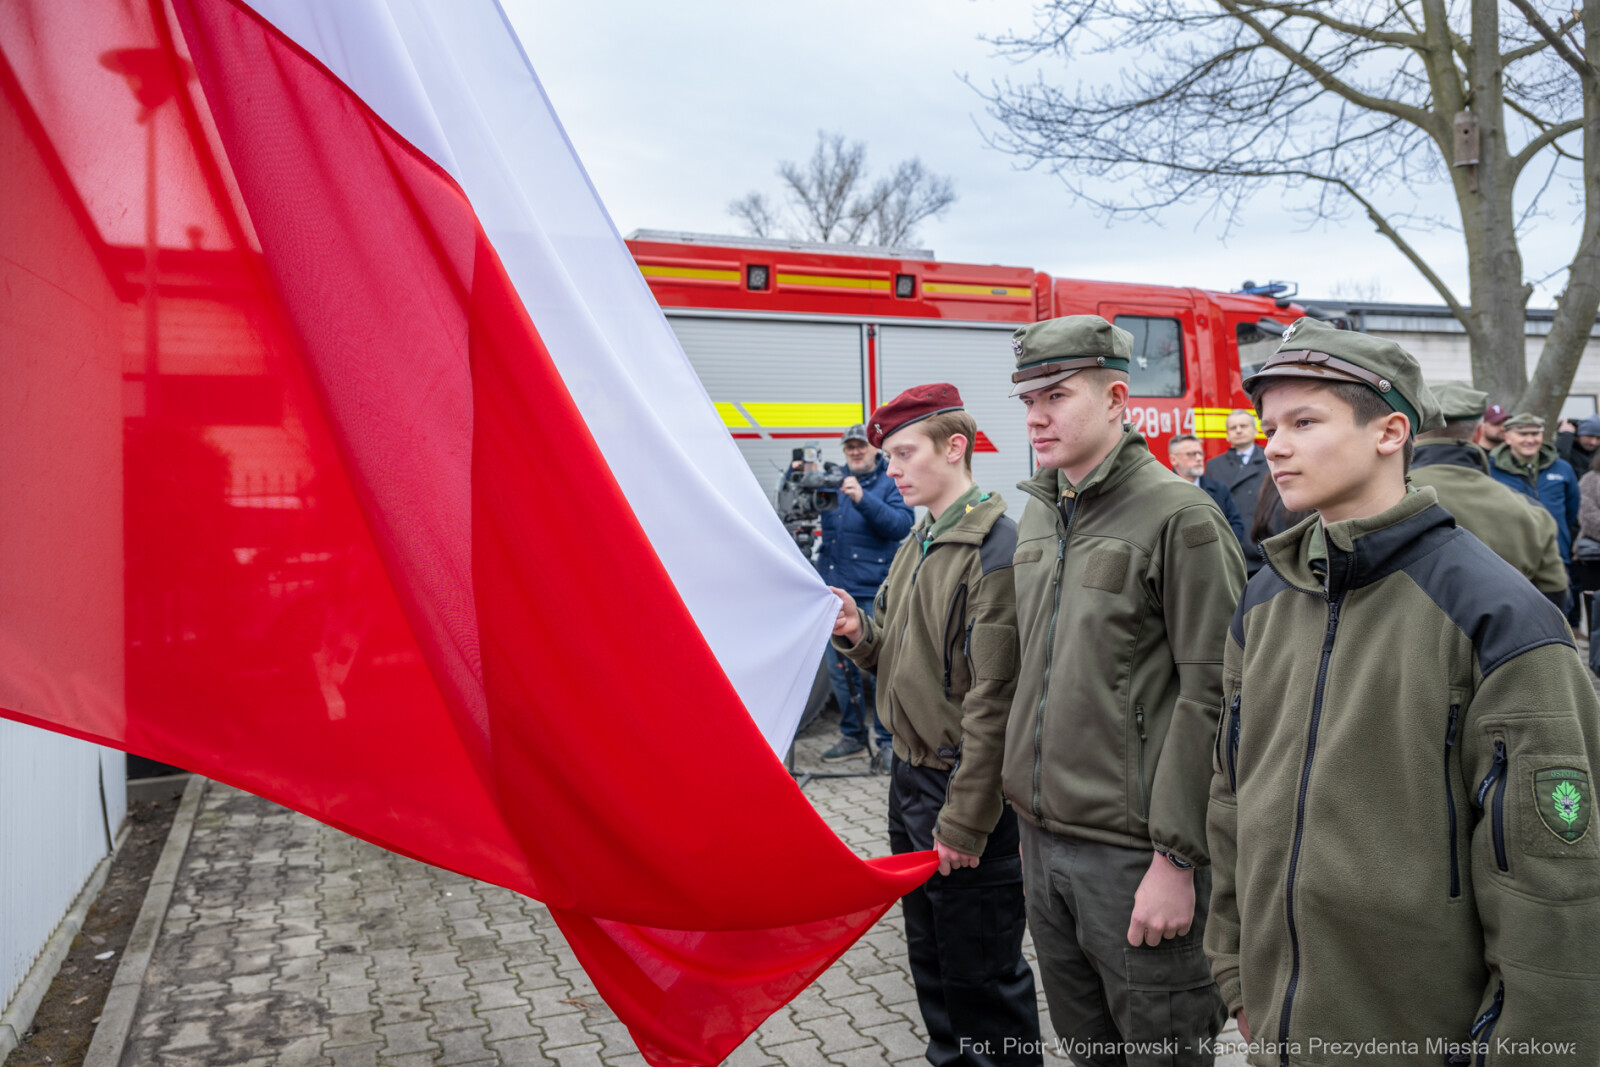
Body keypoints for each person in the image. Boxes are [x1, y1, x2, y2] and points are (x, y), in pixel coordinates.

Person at [1206, 317, 1600, 1061]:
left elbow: (1555, 884)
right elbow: (1231, 795)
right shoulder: (1265, 599)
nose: (1275, 445)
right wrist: (1235, 970)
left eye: (1304, 421)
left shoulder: (1496, 614)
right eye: (1269, 425)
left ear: (1390, 432)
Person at [1005, 315, 1245, 1066]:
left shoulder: (1182, 515)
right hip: (1043, 848)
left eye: (1055, 394)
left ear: (1116, 397)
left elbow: (1221, 699)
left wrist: (1177, 861)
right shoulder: (1041, 512)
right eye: (1026, 399)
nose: (1037, 415)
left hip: (1136, 860)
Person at [830, 383, 1040, 1067]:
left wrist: (964, 818)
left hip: (964, 791)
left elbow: (994, 701)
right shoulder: (922, 537)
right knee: (936, 967)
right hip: (911, 783)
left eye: (903, 452)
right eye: (887, 454)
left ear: (956, 447)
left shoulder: (995, 548)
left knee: (983, 981)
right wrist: (859, 629)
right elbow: (896, 649)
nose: (890, 467)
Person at [1411, 380, 1570, 612]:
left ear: (1414, 434)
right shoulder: (1532, 513)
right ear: (1478, 434)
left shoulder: (1375, 499)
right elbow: (1554, 601)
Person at [816, 424, 913, 769]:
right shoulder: (832, 481)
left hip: (873, 592)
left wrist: (862, 498)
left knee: (881, 671)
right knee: (840, 671)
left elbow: (901, 525)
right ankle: (853, 737)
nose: (854, 453)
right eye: (848, 448)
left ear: (874, 449)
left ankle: (888, 743)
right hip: (836, 592)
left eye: (860, 447)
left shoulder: (889, 481)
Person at [1489, 412, 1582, 623]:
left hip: (1557, 559)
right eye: (1522, 433)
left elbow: (1571, 512)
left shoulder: (1563, 469)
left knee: (1557, 621)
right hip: (1509, 563)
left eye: (1535, 433)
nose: (1530, 439)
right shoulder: (1491, 470)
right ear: (1507, 436)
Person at [1204, 409, 1269, 573]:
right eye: (1233, 428)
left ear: (1255, 431)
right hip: (1233, 550)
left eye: (1243, 426)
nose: (1238, 430)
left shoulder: (1271, 461)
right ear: (1227, 435)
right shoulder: (1213, 466)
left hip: (1267, 548)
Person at [1169, 433, 1247, 548]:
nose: (1199, 458)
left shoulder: (1220, 489)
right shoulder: (1165, 493)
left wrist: (1221, 549)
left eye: (1200, 453)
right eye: (1191, 454)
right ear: (1173, 459)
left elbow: (1236, 525)